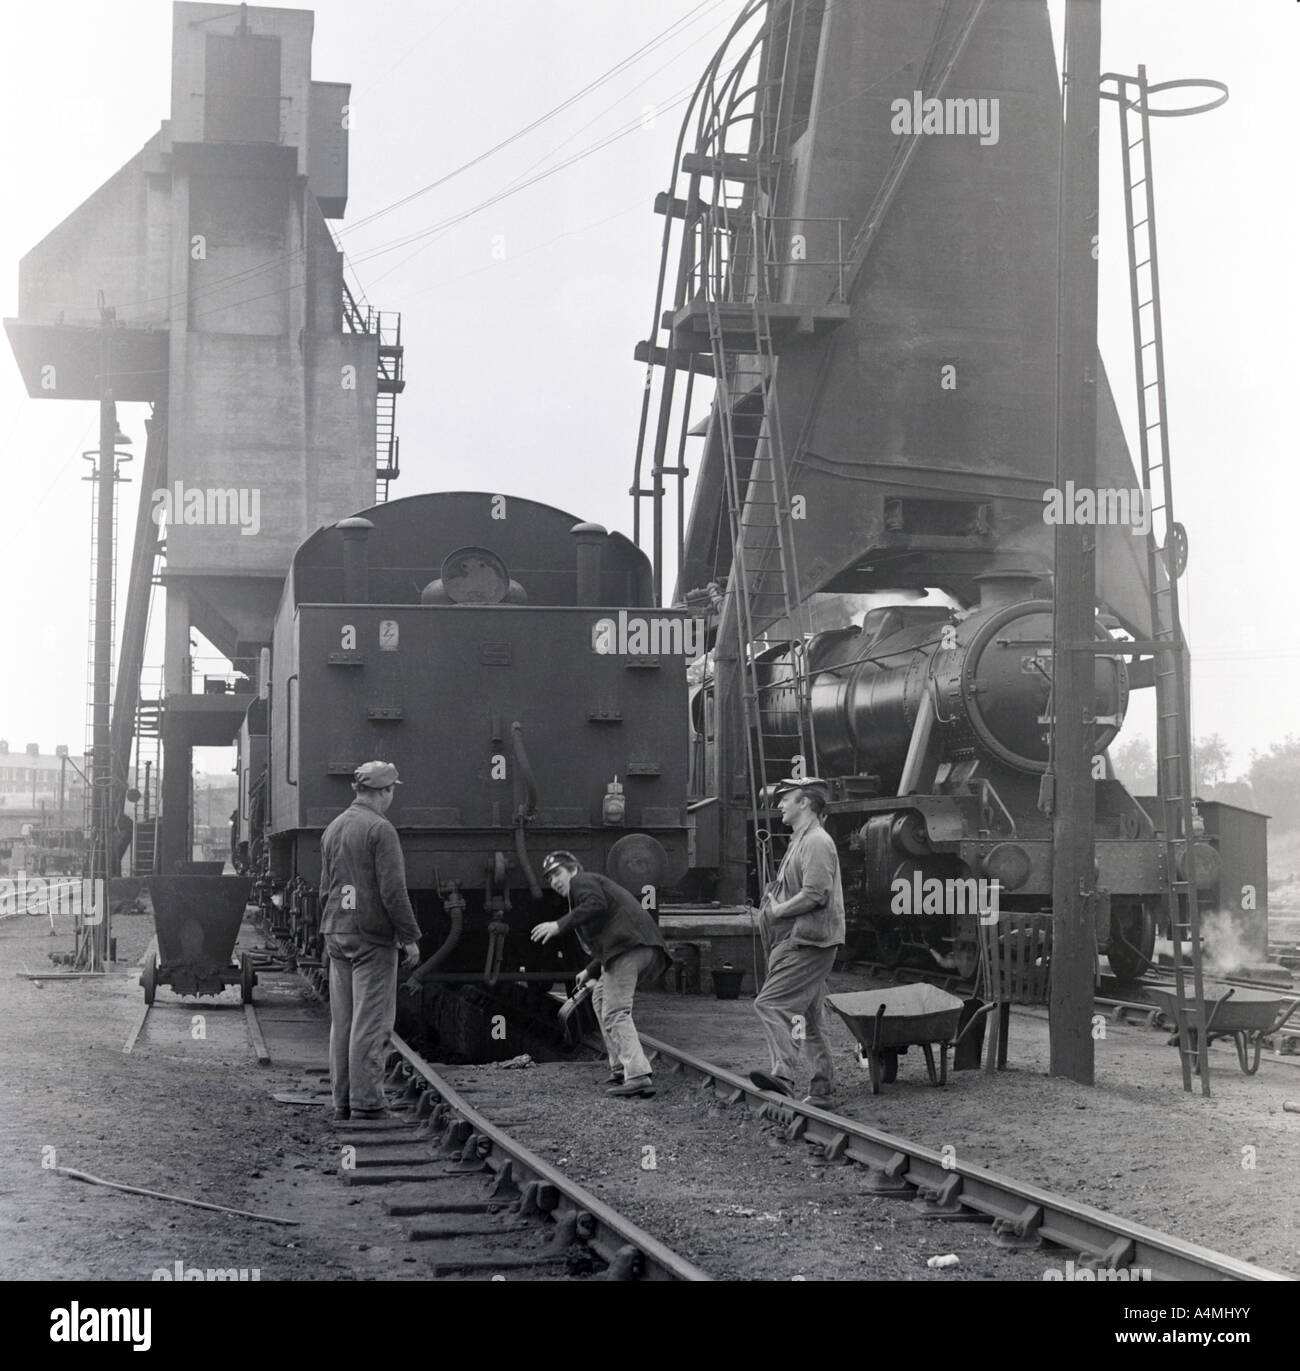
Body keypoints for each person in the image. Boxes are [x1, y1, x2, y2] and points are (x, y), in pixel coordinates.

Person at [319, 761, 422, 1121]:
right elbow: (393, 892)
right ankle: (367, 1103)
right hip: (371, 936)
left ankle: (342, 1101)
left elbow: (325, 888)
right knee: (371, 1020)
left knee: (343, 1021)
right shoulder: (381, 829)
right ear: (383, 792)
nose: (392, 796)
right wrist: (409, 937)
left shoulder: (333, 828)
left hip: (336, 930)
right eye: (392, 790)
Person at [531, 851, 668, 1099]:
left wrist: (558, 925)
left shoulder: (582, 882)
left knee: (616, 1011)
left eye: (557, 873)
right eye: (549, 878)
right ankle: (619, 1067)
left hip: (630, 948)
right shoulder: (587, 887)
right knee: (600, 997)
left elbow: (596, 905)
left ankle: (638, 1075)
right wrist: (591, 970)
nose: (554, 881)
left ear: (573, 869)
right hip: (633, 947)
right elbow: (610, 931)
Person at [749, 777, 846, 1109]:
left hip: (809, 941)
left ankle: (783, 1074)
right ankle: (823, 1090)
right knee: (811, 1019)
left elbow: (815, 894)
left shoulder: (817, 841)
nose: (779, 805)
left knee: (771, 1004)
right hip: (805, 938)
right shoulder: (801, 840)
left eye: (785, 798)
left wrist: (778, 910)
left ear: (805, 802)